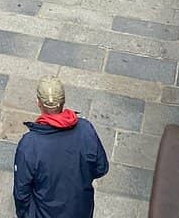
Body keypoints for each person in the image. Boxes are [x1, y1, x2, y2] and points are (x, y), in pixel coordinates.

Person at [13, 76, 108, 218]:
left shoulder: (29, 145)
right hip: (80, 210)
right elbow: (101, 168)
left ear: (38, 103)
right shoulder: (85, 129)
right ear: (63, 101)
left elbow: (21, 192)